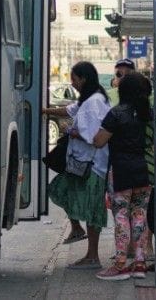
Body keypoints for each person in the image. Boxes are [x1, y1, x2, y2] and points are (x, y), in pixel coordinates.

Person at [93, 72, 156, 281]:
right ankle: (140, 263)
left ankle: (120, 264)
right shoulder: (150, 114)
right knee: (140, 214)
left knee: (122, 215)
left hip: (121, 170)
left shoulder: (116, 113)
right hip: (144, 170)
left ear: (123, 91)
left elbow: (99, 141)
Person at [42, 61, 110, 269]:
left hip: (92, 164)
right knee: (60, 190)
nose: (72, 83)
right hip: (80, 162)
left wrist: (72, 132)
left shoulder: (94, 102)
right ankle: (77, 229)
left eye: (74, 79)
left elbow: (95, 136)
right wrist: (44, 111)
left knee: (93, 209)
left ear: (84, 78)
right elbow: (69, 110)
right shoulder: (88, 99)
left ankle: (92, 256)